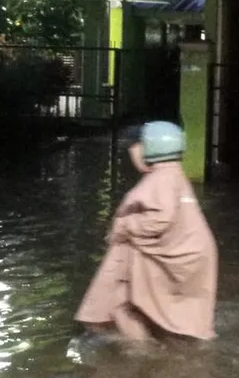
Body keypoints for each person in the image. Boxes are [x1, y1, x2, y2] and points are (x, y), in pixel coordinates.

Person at [75, 121, 219, 344]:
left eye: (134, 148)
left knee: (119, 301)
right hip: (183, 254)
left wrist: (125, 227)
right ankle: (150, 350)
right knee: (138, 304)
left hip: (169, 256)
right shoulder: (173, 176)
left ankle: (141, 353)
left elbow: (160, 219)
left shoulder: (161, 180)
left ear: (150, 148)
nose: (133, 155)